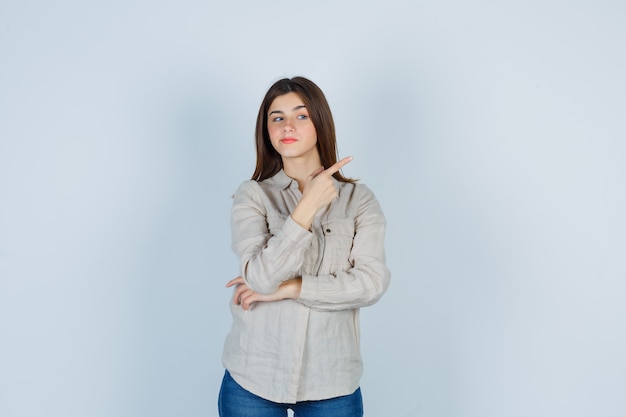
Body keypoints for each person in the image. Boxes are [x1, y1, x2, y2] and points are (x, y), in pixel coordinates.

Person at [218, 76, 391, 417]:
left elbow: (372, 284)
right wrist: (306, 207)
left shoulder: (359, 200)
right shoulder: (252, 195)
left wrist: (292, 288)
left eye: (300, 115)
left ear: (319, 123)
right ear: (266, 130)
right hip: (254, 376)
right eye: (276, 117)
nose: (287, 126)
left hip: (332, 381)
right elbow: (261, 278)